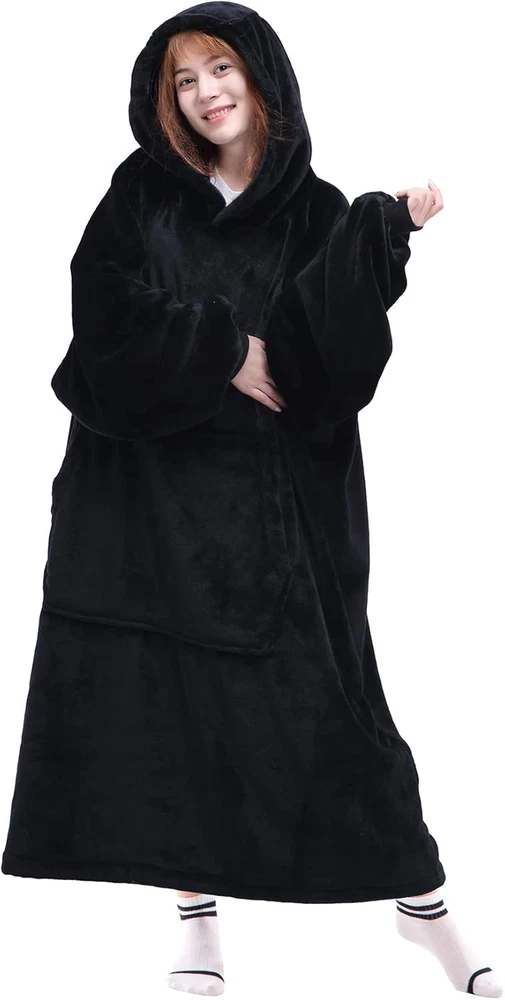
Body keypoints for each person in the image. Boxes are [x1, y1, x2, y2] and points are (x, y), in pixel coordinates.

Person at [1, 2, 502, 997]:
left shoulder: (314, 209)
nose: (205, 92)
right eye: (184, 79)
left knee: (335, 714)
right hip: (142, 500)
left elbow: (327, 359)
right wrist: (221, 348)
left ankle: (421, 907)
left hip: (271, 511)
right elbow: (99, 312)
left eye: (220, 68)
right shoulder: (140, 194)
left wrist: (380, 233)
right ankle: (198, 922)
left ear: (262, 76)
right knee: (166, 708)